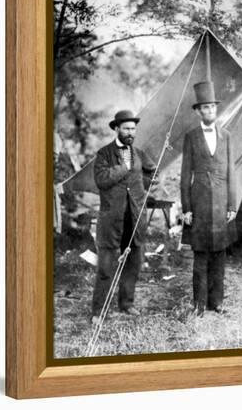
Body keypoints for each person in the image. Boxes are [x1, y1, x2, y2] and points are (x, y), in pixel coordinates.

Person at [91, 110, 156, 323]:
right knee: (106, 266)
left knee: (134, 262)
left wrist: (147, 183)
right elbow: (101, 180)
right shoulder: (104, 154)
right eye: (126, 128)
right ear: (116, 129)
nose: (131, 132)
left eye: (133, 128)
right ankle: (99, 311)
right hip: (111, 220)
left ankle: (126, 303)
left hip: (135, 218)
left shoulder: (139, 153)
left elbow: (144, 178)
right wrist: (123, 168)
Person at [180, 81, 237, 316]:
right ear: (198, 111)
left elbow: (232, 172)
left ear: (216, 110)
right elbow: (185, 175)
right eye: (204, 108)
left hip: (222, 205)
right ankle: (199, 304)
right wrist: (186, 208)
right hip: (200, 204)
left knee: (220, 257)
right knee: (201, 257)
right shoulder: (191, 137)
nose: (209, 111)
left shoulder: (227, 136)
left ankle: (217, 302)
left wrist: (232, 205)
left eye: (212, 107)